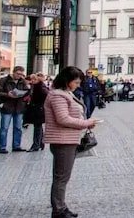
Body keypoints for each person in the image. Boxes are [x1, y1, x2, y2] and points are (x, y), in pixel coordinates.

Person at [44, 66, 98, 218]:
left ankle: (61, 206)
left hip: (69, 139)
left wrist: (85, 122)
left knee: (63, 176)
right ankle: (58, 210)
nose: (78, 85)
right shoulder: (57, 95)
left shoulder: (66, 93)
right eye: (76, 82)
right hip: (62, 140)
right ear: (67, 81)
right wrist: (86, 123)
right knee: (61, 177)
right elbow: (63, 119)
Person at [0, 64, 30, 153]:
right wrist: (7, 95)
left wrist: (26, 93)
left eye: (21, 74)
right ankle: (2, 147)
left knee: (18, 128)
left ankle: (16, 146)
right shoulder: (3, 80)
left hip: (19, 107)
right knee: (4, 128)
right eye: (18, 74)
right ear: (13, 72)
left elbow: (27, 92)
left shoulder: (23, 81)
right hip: (7, 107)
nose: (20, 76)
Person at [26, 73, 49, 152]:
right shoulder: (35, 86)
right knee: (38, 127)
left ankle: (36, 145)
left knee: (37, 127)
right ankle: (40, 144)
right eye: (31, 79)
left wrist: (42, 105)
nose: (32, 81)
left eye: (34, 79)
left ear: (38, 79)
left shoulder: (41, 87)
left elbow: (47, 96)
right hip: (37, 108)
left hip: (39, 109)